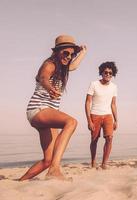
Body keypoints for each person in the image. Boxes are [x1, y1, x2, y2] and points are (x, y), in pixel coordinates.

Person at [19, 35, 87, 181]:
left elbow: (74, 66)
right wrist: (50, 88)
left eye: (71, 54)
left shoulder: (64, 67)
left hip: (47, 114)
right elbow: (43, 78)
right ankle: (55, 170)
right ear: (57, 52)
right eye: (65, 53)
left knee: (47, 160)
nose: (69, 57)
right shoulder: (49, 64)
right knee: (71, 122)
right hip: (38, 109)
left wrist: (83, 52)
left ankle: (20, 182)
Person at [85, 62, 118, 169]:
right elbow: (87, 102)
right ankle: (93, 161)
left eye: (110, 73)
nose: (108, 74)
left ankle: (104, 163)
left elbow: (113, 104)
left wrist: (116, 120)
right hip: (95, 114)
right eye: (106, 72)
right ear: (102, 72)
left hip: (108, 115)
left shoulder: (114, 87)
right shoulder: (94, 84)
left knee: (109, 138)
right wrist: (89, 120)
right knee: (94, 139)